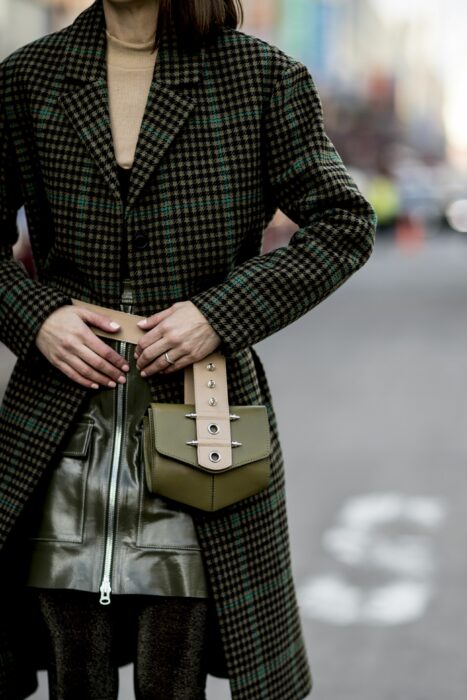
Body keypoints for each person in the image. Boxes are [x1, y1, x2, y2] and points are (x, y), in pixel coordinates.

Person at [0, 0, 376, 698]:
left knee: (171, 673)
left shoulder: (259, 76)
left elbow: (343, 222)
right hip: (57, 420)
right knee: (73, 665)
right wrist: (37, 317)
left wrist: (218, 313)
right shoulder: (29, 77)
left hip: (202, 418)